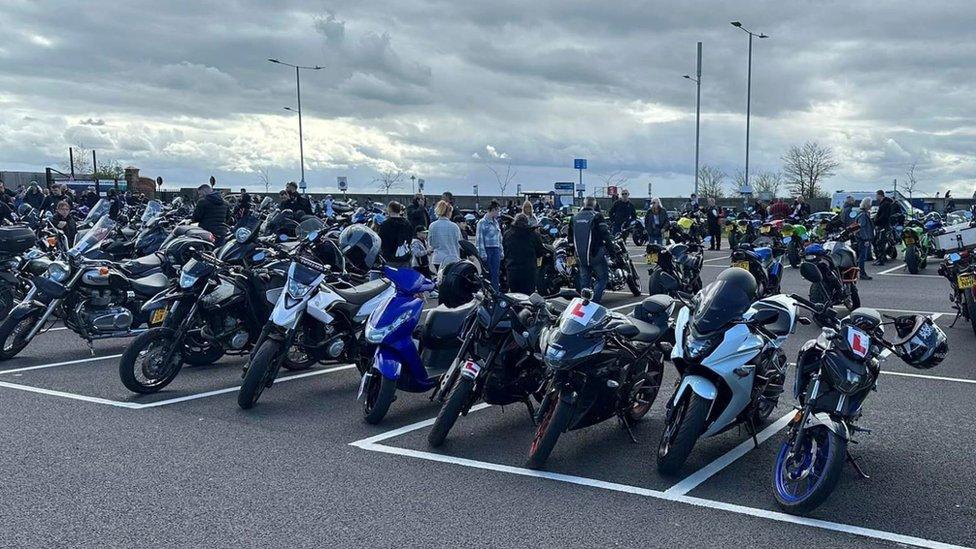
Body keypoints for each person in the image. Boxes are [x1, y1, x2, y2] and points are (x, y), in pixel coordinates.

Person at [569, 196, 611, 302]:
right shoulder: (597, 216)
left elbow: (570, 238)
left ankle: (585, 302)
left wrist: (571, 253)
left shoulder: (575, 218)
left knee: (585, 281)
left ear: (584, 204)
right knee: (603, 278)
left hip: (580, 255)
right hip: (595, 254)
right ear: (594, 205)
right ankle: (594, 302)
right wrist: (612, 251)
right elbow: (605, 234)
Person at [503, 213, 546, 294]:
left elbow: (505, 251)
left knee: (515, 298)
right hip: (529, 271)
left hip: (512, 271)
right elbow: (540, 252)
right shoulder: (533, 234)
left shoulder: (507, 234)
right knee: (528, 299)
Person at [428, 200, 462, 277]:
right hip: (453, 257)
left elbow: (432, 243)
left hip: (438, 258)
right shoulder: (454, 226)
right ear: (449, 212)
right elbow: (459, 243)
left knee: (440, 280)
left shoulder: (432, 225)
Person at [476, 200, 504, 291]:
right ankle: (487, 292)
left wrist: (501, 250)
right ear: (493, 210)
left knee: (495, 273)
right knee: (487, 273)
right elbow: (479, 239)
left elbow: (499, 238)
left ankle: (496, 292)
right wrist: (482, 253)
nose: (498, 213)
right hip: (487, 249)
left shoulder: (496, 222)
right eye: (498, 210)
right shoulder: (482, 222)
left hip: (496, 249)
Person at [377, 201, 414, 266]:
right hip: (405, 257)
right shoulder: (407, 223)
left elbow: (380, 240)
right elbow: (410, 238)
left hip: (389, 258)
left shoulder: (385, 224)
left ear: (389, 210)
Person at [873, 189, 894, 266]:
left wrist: (876, 221)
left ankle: (881, 260)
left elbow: (884, 216)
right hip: (883, 225)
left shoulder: (885, 204)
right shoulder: (884, 203)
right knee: (880, 242)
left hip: (883, 226)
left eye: (876, 195)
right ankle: (882, 258)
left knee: (880, 242)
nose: (876, 197)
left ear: (880, 195)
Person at [856, 197, 874, 280]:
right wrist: (866, 239)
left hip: (863, 238)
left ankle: (860, 272)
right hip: (863, 239)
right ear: (867, 205)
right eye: (870, 204)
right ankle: (862, 273)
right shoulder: (863, 215)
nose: (871, 205)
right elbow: (862, 228)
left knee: (862, 257)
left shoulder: (862, 213)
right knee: (862, 257)